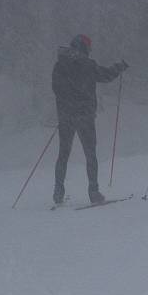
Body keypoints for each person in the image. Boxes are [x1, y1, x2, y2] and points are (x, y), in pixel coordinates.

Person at [51, 34, 128, 205]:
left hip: (66, 116)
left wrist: (67, 105)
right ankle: (93, 192)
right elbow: (106, 76)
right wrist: (119, 67)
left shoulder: (60, 64)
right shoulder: (88, 65)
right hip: (84, 116)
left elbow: (56, 88)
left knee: (63, 153)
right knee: (90, 154)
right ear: (84, 47)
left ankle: (58, 191)